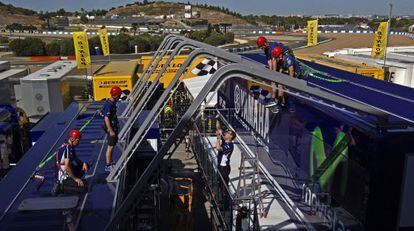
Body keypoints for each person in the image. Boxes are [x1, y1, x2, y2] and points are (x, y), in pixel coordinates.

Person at [52, 129, 89, 195]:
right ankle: (61, 187)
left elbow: (75, 159)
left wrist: (83, 163)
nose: (79, 142)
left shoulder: (69, 146)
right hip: (63, 176)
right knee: (84, 189)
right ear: (72, 139)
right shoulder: (68, 149)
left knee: (86, 166)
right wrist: (76, 179)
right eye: (78, 141)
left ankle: (73, 182)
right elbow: (67, 167)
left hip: (66, 172)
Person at [268, 46, 302, 112]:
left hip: (296, 76)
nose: (276, 59)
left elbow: (291, 73)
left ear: (280, 55)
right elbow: (280, 71)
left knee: (282, 86)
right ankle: (279, 102)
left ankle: (284, 104)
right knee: (280, 84)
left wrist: (287, 84)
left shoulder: (289, 59)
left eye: (276, 57)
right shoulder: (281, 60)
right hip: (288, 72)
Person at [103, 86, 122, 172]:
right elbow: (106, 118)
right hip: (111, 129)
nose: (119, 97)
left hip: (113, 127)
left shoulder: (112, 103)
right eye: (119, 95)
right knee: (110, 146)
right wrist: (110, 130)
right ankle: (108, 165)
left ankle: (110, 162)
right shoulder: (108, 104)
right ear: (115, 96)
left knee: (113, 145)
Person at [215, 116, 236, 185]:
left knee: (224, 183)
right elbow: (219, 129)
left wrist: (218, 138)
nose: (226, 133)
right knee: (219, 182)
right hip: (220, 165)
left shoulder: (229, 145)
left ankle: (225, 195)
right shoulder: (225, 141)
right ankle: (220, 193)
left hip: (224, 167)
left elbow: (218, 148)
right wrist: (218, 120)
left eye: (228, 133)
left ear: (231, 136)